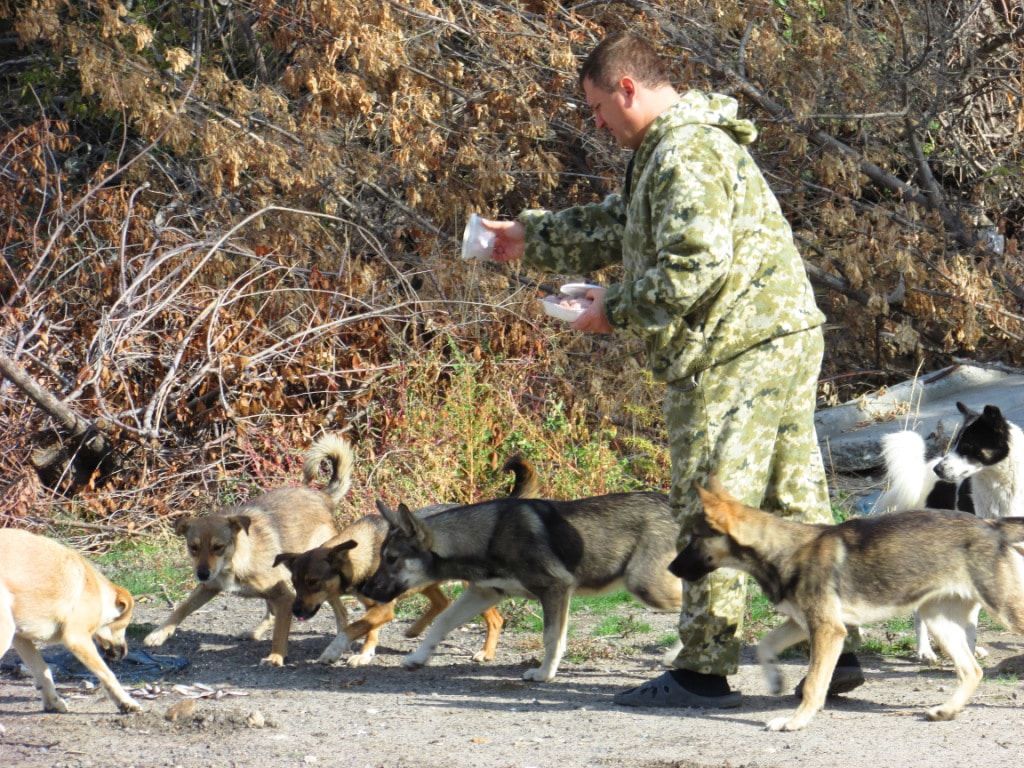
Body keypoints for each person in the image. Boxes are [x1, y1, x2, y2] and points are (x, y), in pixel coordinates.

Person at [480, 30, 863, 708]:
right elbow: (622, 223)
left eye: (598, 107)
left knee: (710, 500)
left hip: (735, 344)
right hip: (776, 332)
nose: (595, 123)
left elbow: (695, 264)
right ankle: (829, 645)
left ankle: (704, 668)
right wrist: (528, 237)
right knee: (788, 501)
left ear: (628, 88)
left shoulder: (683, 151)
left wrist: (614, 308)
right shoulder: (673, 146)